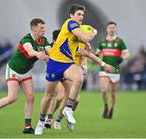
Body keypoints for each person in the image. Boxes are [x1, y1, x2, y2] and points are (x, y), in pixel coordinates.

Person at [34, 4, 98, 135]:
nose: (81, 17)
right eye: (78, 14)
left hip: (68, 63)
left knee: (79, 78)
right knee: (48, 96)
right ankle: (41, 122)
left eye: (82, 15)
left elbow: (82, 42)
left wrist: (86, 45)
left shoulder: (77, 29)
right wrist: (94, 32)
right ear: (71, 16)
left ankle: (68, 109)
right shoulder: (70, 23)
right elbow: (86, 37)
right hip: (55, 63)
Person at [0, 18, 49, 134]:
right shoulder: (26, 39)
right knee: (12, 98)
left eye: (44, 27)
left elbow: (50, 50)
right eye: (41, 28)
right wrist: (38, 54)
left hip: (25, 72)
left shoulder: (43, 40)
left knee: (31, 97)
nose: (44, 30)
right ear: (34, 29)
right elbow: (30, 51)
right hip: (13, 71)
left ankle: (27, 127)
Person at [95, 21, 130, 119]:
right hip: (104, 70)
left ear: (116, 29)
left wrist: (122, 58)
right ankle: (106, 106)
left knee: (113, 94)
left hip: (115, 71)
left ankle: (112, 109)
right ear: (107, 29)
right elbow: (97, 53)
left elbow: (127, 54)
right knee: (103, 90)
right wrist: (96, 55)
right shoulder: (102, 41)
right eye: (110, 27)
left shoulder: (119, 41)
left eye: (113, 27)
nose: (111, 29)